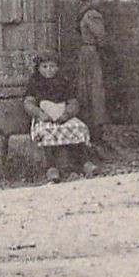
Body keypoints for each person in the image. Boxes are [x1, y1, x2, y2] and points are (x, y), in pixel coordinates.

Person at [24, 52, 97, 182]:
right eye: (44, 67)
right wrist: (40, 114)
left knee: (78, 127)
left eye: (52, 66)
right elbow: (29, 102)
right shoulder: (35, 83)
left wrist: (67, 114)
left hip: (63, 114)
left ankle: (85, 163)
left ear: (57, 68)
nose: (48, 70)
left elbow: (73, 101)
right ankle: (51, 168)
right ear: (38, 68)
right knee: (45, 132)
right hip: (45, 116)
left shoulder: (64, 81)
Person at [76, 0, 112, 142]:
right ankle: (96, 128)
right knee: (95, 89)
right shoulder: (92, 15)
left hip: (85, 52)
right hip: (91, 53)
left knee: (87, 88)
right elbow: (102, 37)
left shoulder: (81, 11)